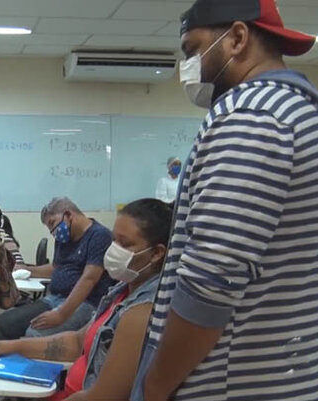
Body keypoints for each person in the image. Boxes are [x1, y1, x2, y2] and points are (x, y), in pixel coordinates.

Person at [132, 1, 318, 401]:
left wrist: (157, 384)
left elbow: (212, 279)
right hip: (275, 373)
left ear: (236, 38)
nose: (188, 65)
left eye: (192, 49)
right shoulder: (294, 112)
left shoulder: (252, 117)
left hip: (227, 383)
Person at [0, 199, 172, 401]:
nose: (114, 250)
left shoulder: (140, 313)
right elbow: (77, 342)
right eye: (115, 241)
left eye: (125, 244)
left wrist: (61, 314)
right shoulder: (120, 292)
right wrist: (12, 347)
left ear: (156, 253)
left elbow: (102, 396)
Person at [0, 197, 114, 340]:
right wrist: (28, 270)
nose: (53, 231)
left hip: (86, 303)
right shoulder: (64, 238)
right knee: (2, 323)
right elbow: (56, 268)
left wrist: (61, 314)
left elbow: (89, 278)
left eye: (52, 223)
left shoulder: (99, 235)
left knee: (35, 335)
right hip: (53, 299)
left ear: (68, 215)